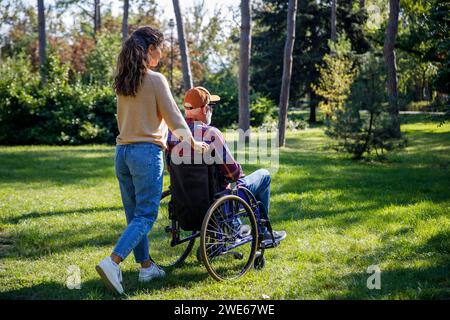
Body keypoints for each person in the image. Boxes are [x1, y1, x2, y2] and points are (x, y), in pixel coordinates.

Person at [95, 27, 208, 295]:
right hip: (145, 154)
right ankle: (113, 262)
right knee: (145, 215)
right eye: (160, 47)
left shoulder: (123, 81)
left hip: (122, 154)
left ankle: (146, 267)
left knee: (135, 215)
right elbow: (175, 118)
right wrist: (193, 143)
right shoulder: (155, 80)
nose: (162, 52)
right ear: (149, 50)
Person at [166, 86, 287, 243]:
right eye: (211, 107)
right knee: (264, 175)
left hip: (185, 202)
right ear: (204, 109)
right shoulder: (210, 133)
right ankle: (263, 232)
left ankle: (234, 229)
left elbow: (171, 168)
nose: (211, 110)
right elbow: (233, 174)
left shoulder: (172, 134)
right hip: (218, 203)